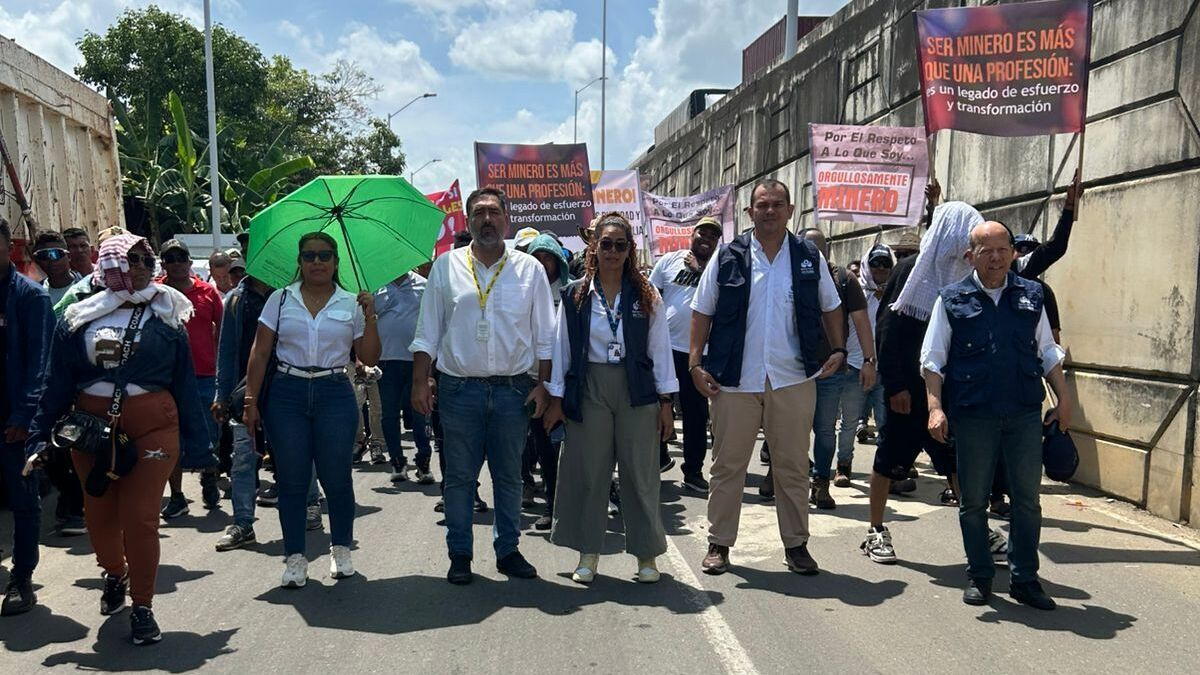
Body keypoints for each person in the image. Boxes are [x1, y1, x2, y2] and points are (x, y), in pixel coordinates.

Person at [27, 233, 216, 643]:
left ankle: (143, 606)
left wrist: (201, 448)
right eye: (132, 260)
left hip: (154, 429)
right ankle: (115, 573)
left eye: (146, 260)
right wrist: (38, 437)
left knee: (140, 517)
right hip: (91, 434)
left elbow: (184, 385)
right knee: (99, 517)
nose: (142, 267)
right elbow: (55, 382)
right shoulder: (77, 317)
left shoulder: (168, 314)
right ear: (110, 266)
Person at [689, 179, 845, 576]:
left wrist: (839, 349)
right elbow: (702, 310)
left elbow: (831, 306)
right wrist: (694, 364)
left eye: (777, 204)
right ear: (750, 212)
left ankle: (796, 545)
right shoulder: (728, 255)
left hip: (793, 379)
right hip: (734, 381)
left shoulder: (808, 256)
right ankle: (719, 543)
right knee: (728, 466)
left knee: (792, 466)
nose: (770, 211)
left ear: (791, 211)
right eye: (762, 204)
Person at [410, 186, 555, 585]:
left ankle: (508, 550)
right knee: (459, 478)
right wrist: (420, 381)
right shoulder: (446, 267)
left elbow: (546, 335)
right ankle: (459, 554)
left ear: (506, 219)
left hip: (514, 391)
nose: (487, 219)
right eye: (479, 213)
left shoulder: (530, 270)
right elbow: (427, 331)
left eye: (494, 212)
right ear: (469, 220)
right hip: (459, 391)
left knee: (509, 477)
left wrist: (544, 386)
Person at [922, 220, 1071, 609]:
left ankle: (1024, 579)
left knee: (1027, 500)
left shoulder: (1032, 295)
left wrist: (1064, 399)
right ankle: (980, 574)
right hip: (974, 416)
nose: (996, 257)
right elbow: (933, 360)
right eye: (986, 250)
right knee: (973, 501)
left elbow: (1047, 351)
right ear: (970, 256)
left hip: (1023, 413)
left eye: (1003, 249)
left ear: (1013, 253)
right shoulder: (951, 299)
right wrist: (935, 407)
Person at [543, 213, 677, 583]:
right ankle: (588, 554)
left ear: (630, 250)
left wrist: (666, 402)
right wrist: (556, 398)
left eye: (620, 245)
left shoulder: (647, 294)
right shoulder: (575, 294)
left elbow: (660, 349)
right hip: (590, 387)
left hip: (637, 390)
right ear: (594, 247)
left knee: (639, 473)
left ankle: (646, 556)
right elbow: (562, 348)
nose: (613, 251)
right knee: (589, 471)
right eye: (606, 244)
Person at [242, 232, 379, 588]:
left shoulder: (352, 302)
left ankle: (341, 548)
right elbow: (260, 351)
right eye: (309, 256)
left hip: (334, 391)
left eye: (324, 255)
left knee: (337, 477)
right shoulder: (280, 299)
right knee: (292, 479)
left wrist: (370, 317)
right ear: (300, 262)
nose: (317, 262)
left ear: (336, 261)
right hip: (287, 393)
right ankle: (295, 557)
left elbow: (369, 356)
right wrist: (250, 400)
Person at [861, 198, 980, 565]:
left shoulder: (969, 277)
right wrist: (895, 385)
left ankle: (976, 531)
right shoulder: (911, 272)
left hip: (950, 392)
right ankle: (875, 530)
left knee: (957, 462)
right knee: (889, 460)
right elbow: (887, 330)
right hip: (909, 393)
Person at [799, 228, 876, 509]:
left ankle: (820, 482)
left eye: (818, 249)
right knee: (789, 427)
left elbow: (861, 321)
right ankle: (781, 474)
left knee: (824, 429)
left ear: (827, 250)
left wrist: (868, 361)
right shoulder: (788, 272)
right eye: (807, 248)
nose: (813, 255)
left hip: (830, 369)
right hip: (792, 369)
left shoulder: (844, 279)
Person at [0, 217, 54, 616]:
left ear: (9, 249)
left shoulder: (31, 297)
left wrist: (25, 417)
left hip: (14, 420)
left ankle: (22, 578)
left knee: (23, 499)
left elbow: (41, 363)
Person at [648, 216, 721, 494]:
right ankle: (657, 459)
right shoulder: (668, 261)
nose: (706, 239)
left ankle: (693, 471)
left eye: (713, 236)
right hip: (665, 350)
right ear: (692, 234)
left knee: (695, 415)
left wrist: (701, 272)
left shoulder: (721, 266)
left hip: (698, 355)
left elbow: (723, 300)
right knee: (656, 408)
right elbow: (650, 298)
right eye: (703, 233)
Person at [157, 239, 223, 518]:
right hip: (166, 378)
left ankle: (209, 474)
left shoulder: (208, 292)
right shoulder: (155, 293)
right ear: (163, 263)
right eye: (170, 259)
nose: (176, 263)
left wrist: (220, 364)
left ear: (189, 261)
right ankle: (177, 495)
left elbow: (223, 328)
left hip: (204, 375)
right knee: (170, 437)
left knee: (208, 432)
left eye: (181, 257)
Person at [211, 273, 274, 551]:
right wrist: (221, 395)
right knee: (243, 459)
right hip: (244, 392)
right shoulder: (235, 299)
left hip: (285, 389)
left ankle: (310, 505)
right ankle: (243, 523)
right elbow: (226, 351)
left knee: (294, 454)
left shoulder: (290, 294)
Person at [521, 232, 571, 529]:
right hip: (532, 380)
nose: (542, 264)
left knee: (572, 447)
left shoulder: (571, 290)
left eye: (547, 258)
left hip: (566, 381)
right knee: (542, 446)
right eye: (536, 258)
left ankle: (581, 502)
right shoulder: (520, 291)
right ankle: (551, 504)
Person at [373, 270, 434, 483]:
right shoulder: (375, 287)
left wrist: (431, 368)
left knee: (420, 412)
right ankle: (397, 462)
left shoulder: (424, 285)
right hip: (386, 360)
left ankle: (423, 461)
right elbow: (366, 321)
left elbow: (432, 322)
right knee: (389, 414)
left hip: (417, 360)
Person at [849, 245, 895, 470]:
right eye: (875, 263)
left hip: (885, 366)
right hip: (856, 363)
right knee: (848, 422)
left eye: (886, 263)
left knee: (886, 420)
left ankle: (887, 467)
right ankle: (843, 465)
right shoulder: (856, 291)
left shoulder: (898, 292)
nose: (881, 268)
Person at [32, 231, 83, 308]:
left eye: (56, 253)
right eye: (44, 255)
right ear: (37, 260)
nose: (51, 260)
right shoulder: (34, 294)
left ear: (69, 256)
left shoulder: (87, 288)